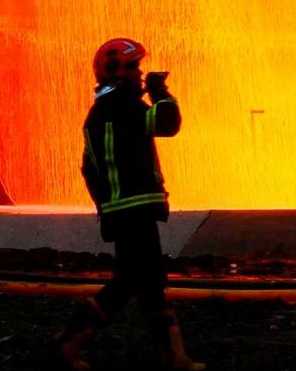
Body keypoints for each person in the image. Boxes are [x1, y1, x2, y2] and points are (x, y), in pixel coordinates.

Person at [51, 38, 204, 371]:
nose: (141, 73)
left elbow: (88, 167)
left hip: (124, 209)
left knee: (149, 283)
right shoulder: (122, 106)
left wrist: (104, 205)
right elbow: (168, 123)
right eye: (134, 67)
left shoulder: (102, 111)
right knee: (131, 282)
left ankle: (175, 357)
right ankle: (68, 342)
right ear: (115, 71)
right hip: (133, 208)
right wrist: (160, 91)